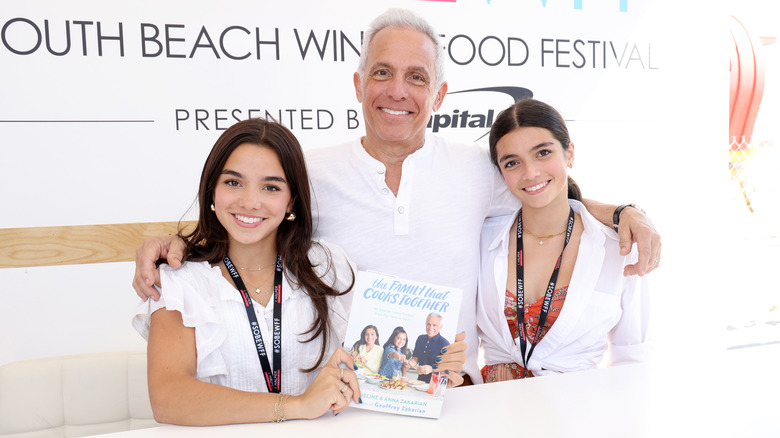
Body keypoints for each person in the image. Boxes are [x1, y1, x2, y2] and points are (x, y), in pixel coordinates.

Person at [132, 8, 660, 386]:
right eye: (382, 73)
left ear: (440, 95)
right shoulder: (310, 174)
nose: (397, 91)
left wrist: (621, 211)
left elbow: (543, 188)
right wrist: (172, 247)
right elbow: (248, 219)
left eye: (417, 77)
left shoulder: (478, 171)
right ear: (359, 84)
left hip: (457, 398)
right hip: (345, 399)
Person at [131, 119, 361, 425]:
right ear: (212, 190)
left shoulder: (327, 265)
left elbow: (376, 356)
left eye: (270, 187)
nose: (250, 202)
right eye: (233, 182)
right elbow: (168, 397)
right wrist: (297, 405)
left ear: (291, 200)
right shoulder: (179, 280)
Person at [477, 99, 651, 382]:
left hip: (576, 413)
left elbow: (633, 358)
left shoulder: (618, 248)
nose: (530, 172)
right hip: (490, 410)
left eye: (543, 153)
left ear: (570, 154)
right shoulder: (483, 239)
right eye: (512, 163)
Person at [407, 313, 449, 383]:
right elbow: (415, 359)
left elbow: (447, 367)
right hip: (420, 382)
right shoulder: (420, 339)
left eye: (434, 325)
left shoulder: (444, 343)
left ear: (440, 327)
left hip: (435, 384)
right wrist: (410, 363)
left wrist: (432, 369)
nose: (430, 328)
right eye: (428, 324)